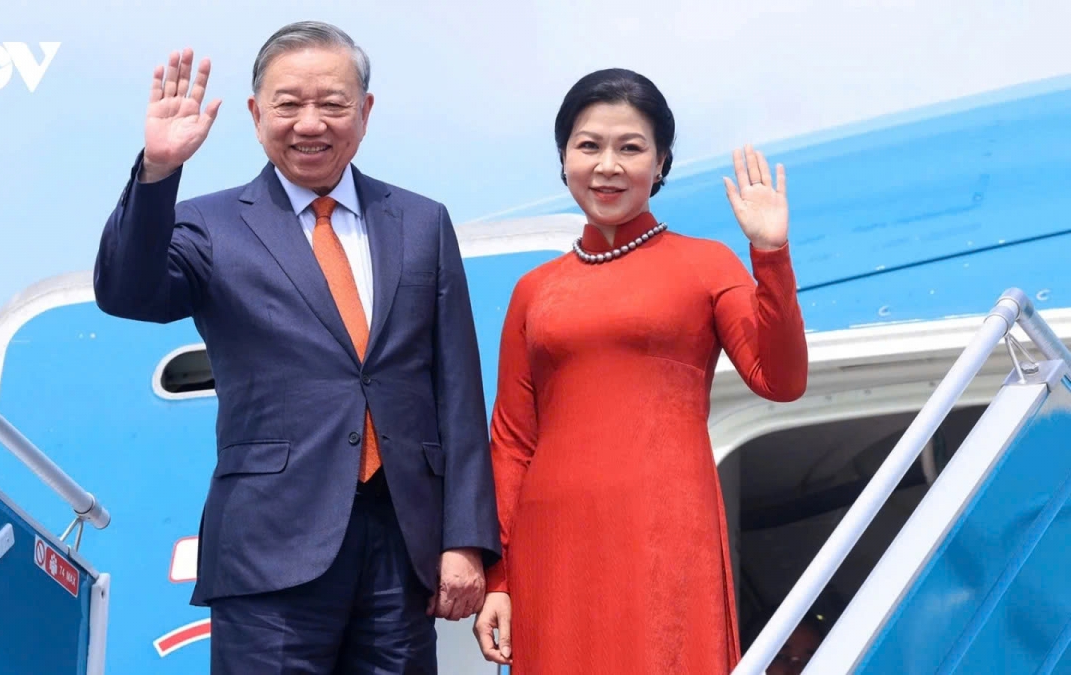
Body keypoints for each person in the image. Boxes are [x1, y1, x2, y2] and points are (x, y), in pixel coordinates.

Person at [93, 21, 501, 674]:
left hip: (404, 544)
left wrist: (468, 540)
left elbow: (457, 389)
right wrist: (159, 170)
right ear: (257, 114)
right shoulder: (210, 223)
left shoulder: (422, 221)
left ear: (364, 113)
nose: (310, 122)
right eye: (288, 103)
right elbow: (127, 291)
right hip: (269, 547)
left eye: (332, 103)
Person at [472, 68, 809, 673]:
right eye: (589, 145)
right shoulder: (534, 290)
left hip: (664, 527)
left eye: (630, 148)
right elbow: (513, 443)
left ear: (660, 164)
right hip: (555, 542)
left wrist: (771, 254)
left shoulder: (707, 263)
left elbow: (779, 381)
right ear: (564, 159)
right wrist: (500, 576)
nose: (608, 165)